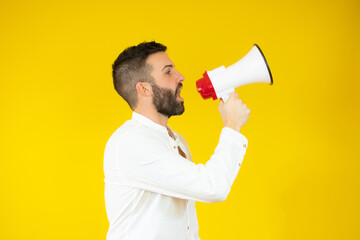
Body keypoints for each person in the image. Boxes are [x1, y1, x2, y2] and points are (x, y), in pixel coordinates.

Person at [104, 41, 250, 240]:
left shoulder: (176, 140)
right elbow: (213, 187)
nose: (180, 76)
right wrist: (232, 125)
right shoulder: (131, 142)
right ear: (144, 89)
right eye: (168, 72)